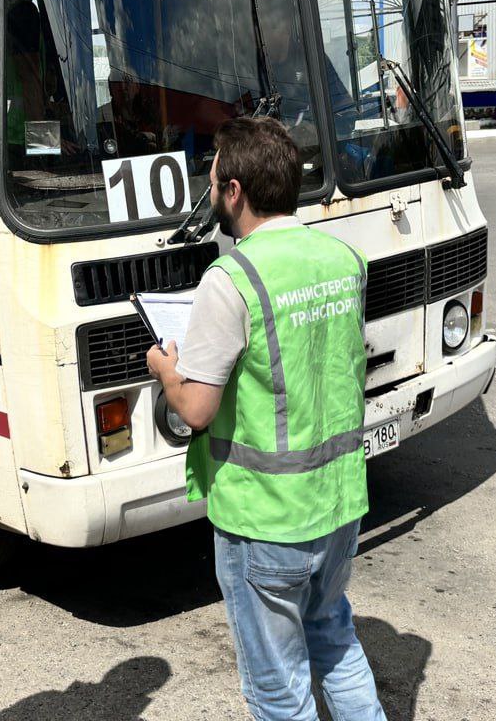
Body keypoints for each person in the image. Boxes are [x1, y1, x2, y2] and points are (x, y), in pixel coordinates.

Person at [146, 116, 385, 721]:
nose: (210, 193)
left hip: (264, 519)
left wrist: (165, 370)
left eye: (212, 180)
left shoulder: (231, 279)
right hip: (338, 504)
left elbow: (197, 409)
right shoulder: (344, 257)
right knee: (334, 638)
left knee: (278, 689)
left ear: (234, 192)